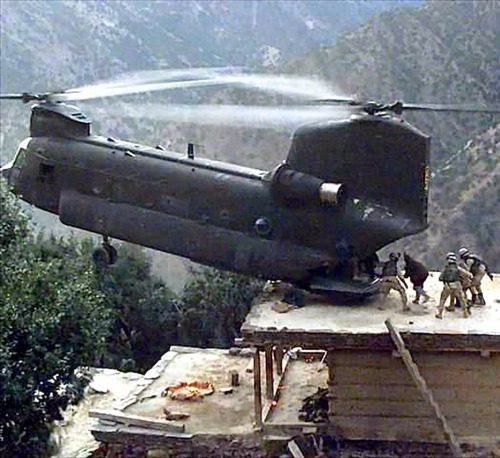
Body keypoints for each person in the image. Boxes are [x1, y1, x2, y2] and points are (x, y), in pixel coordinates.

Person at [436, 253, 470, 319]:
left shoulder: (446, 269)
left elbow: (440, 278)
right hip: (457, 285)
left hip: (448, 285)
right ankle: (465, 313)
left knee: (443, 299)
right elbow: (468, 274)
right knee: (462, 299)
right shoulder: (458, 268)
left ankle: (440, 314)